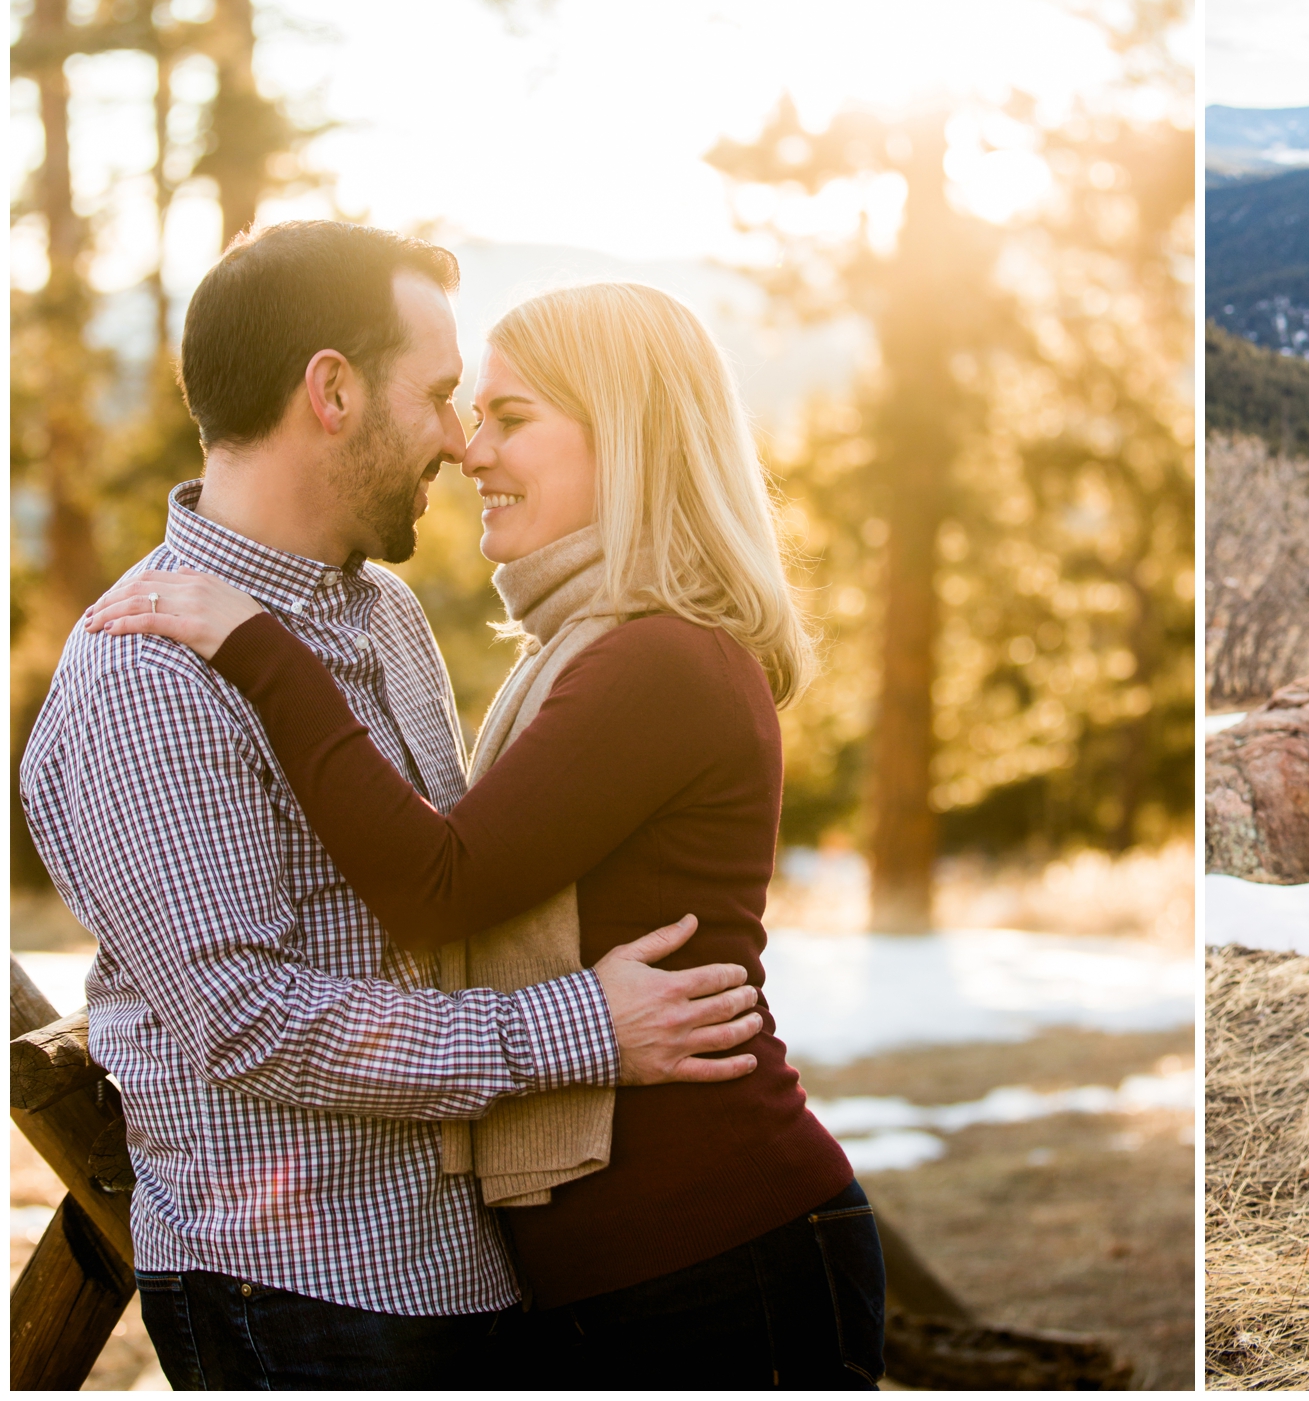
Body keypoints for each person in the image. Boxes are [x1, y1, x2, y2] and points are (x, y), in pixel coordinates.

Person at [88, 278, 885, 1389]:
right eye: (468, 407)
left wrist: (265, 652)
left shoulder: (657, 660)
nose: (470, 448)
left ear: (631, 441)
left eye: (511, 418)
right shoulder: (588, 650)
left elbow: (440, 882)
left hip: (712, 1252)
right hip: (614, 1269)